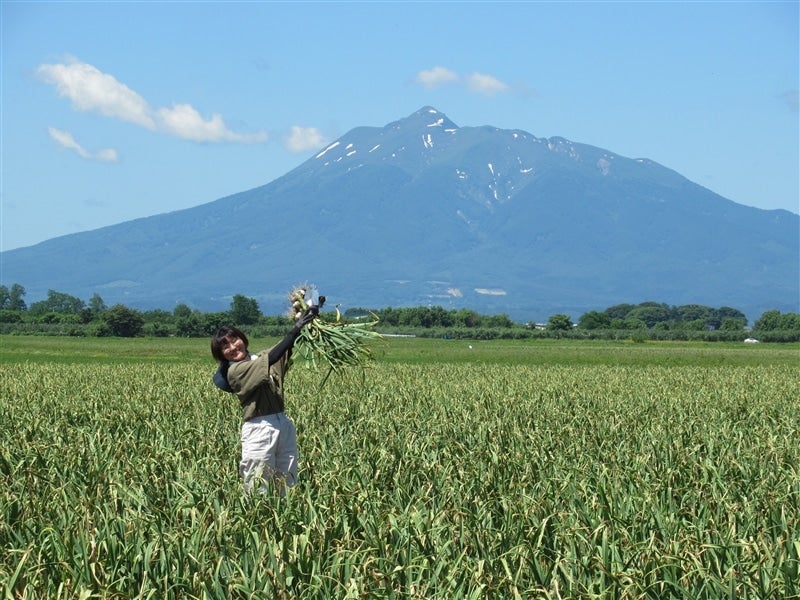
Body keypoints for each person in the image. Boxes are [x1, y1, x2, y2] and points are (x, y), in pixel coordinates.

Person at [210, 308, 316, 495]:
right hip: (259, 428)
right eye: (225, 346)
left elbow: (284, 347)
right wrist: (295, 329)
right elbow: (274, 356)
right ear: (222, 355)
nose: (233, 347)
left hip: (282, 424)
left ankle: (284, 522)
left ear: (242, 338)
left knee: (287, 484)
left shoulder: (260, 357)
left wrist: (308, 321)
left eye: (234, 340)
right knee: (258, 487)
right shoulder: (235, 371)